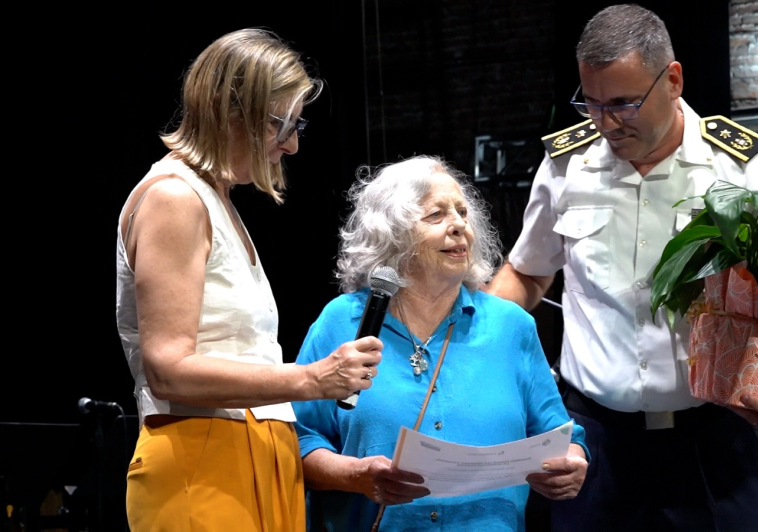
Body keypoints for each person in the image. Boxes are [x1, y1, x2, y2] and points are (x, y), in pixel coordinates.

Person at [486, 5, 758, 531]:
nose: (605, 123)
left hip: (718, 443)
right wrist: (472, 339)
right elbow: (528, 273)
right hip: (593, 444)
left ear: (673, 79)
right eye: (590, 104)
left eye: (623, 103)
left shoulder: (746, 165)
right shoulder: (566, 166)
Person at [115, 29, 383, 532]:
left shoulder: (214, 201)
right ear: (230, 113)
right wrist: (312, 379)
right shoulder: (175, 198)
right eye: (282, 123)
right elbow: (168, 369)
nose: (293, 143)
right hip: (204, 458)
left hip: (258, 455)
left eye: (295, 124)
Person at [291, 155, 589, 531]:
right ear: (393, 233)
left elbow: (561, 435)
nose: (459, 226)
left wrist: (571, 463)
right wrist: (355, 475)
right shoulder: (342, 322)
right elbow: (298, 439)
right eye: (436, 215)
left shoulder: (512, 327)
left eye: (463, 214)